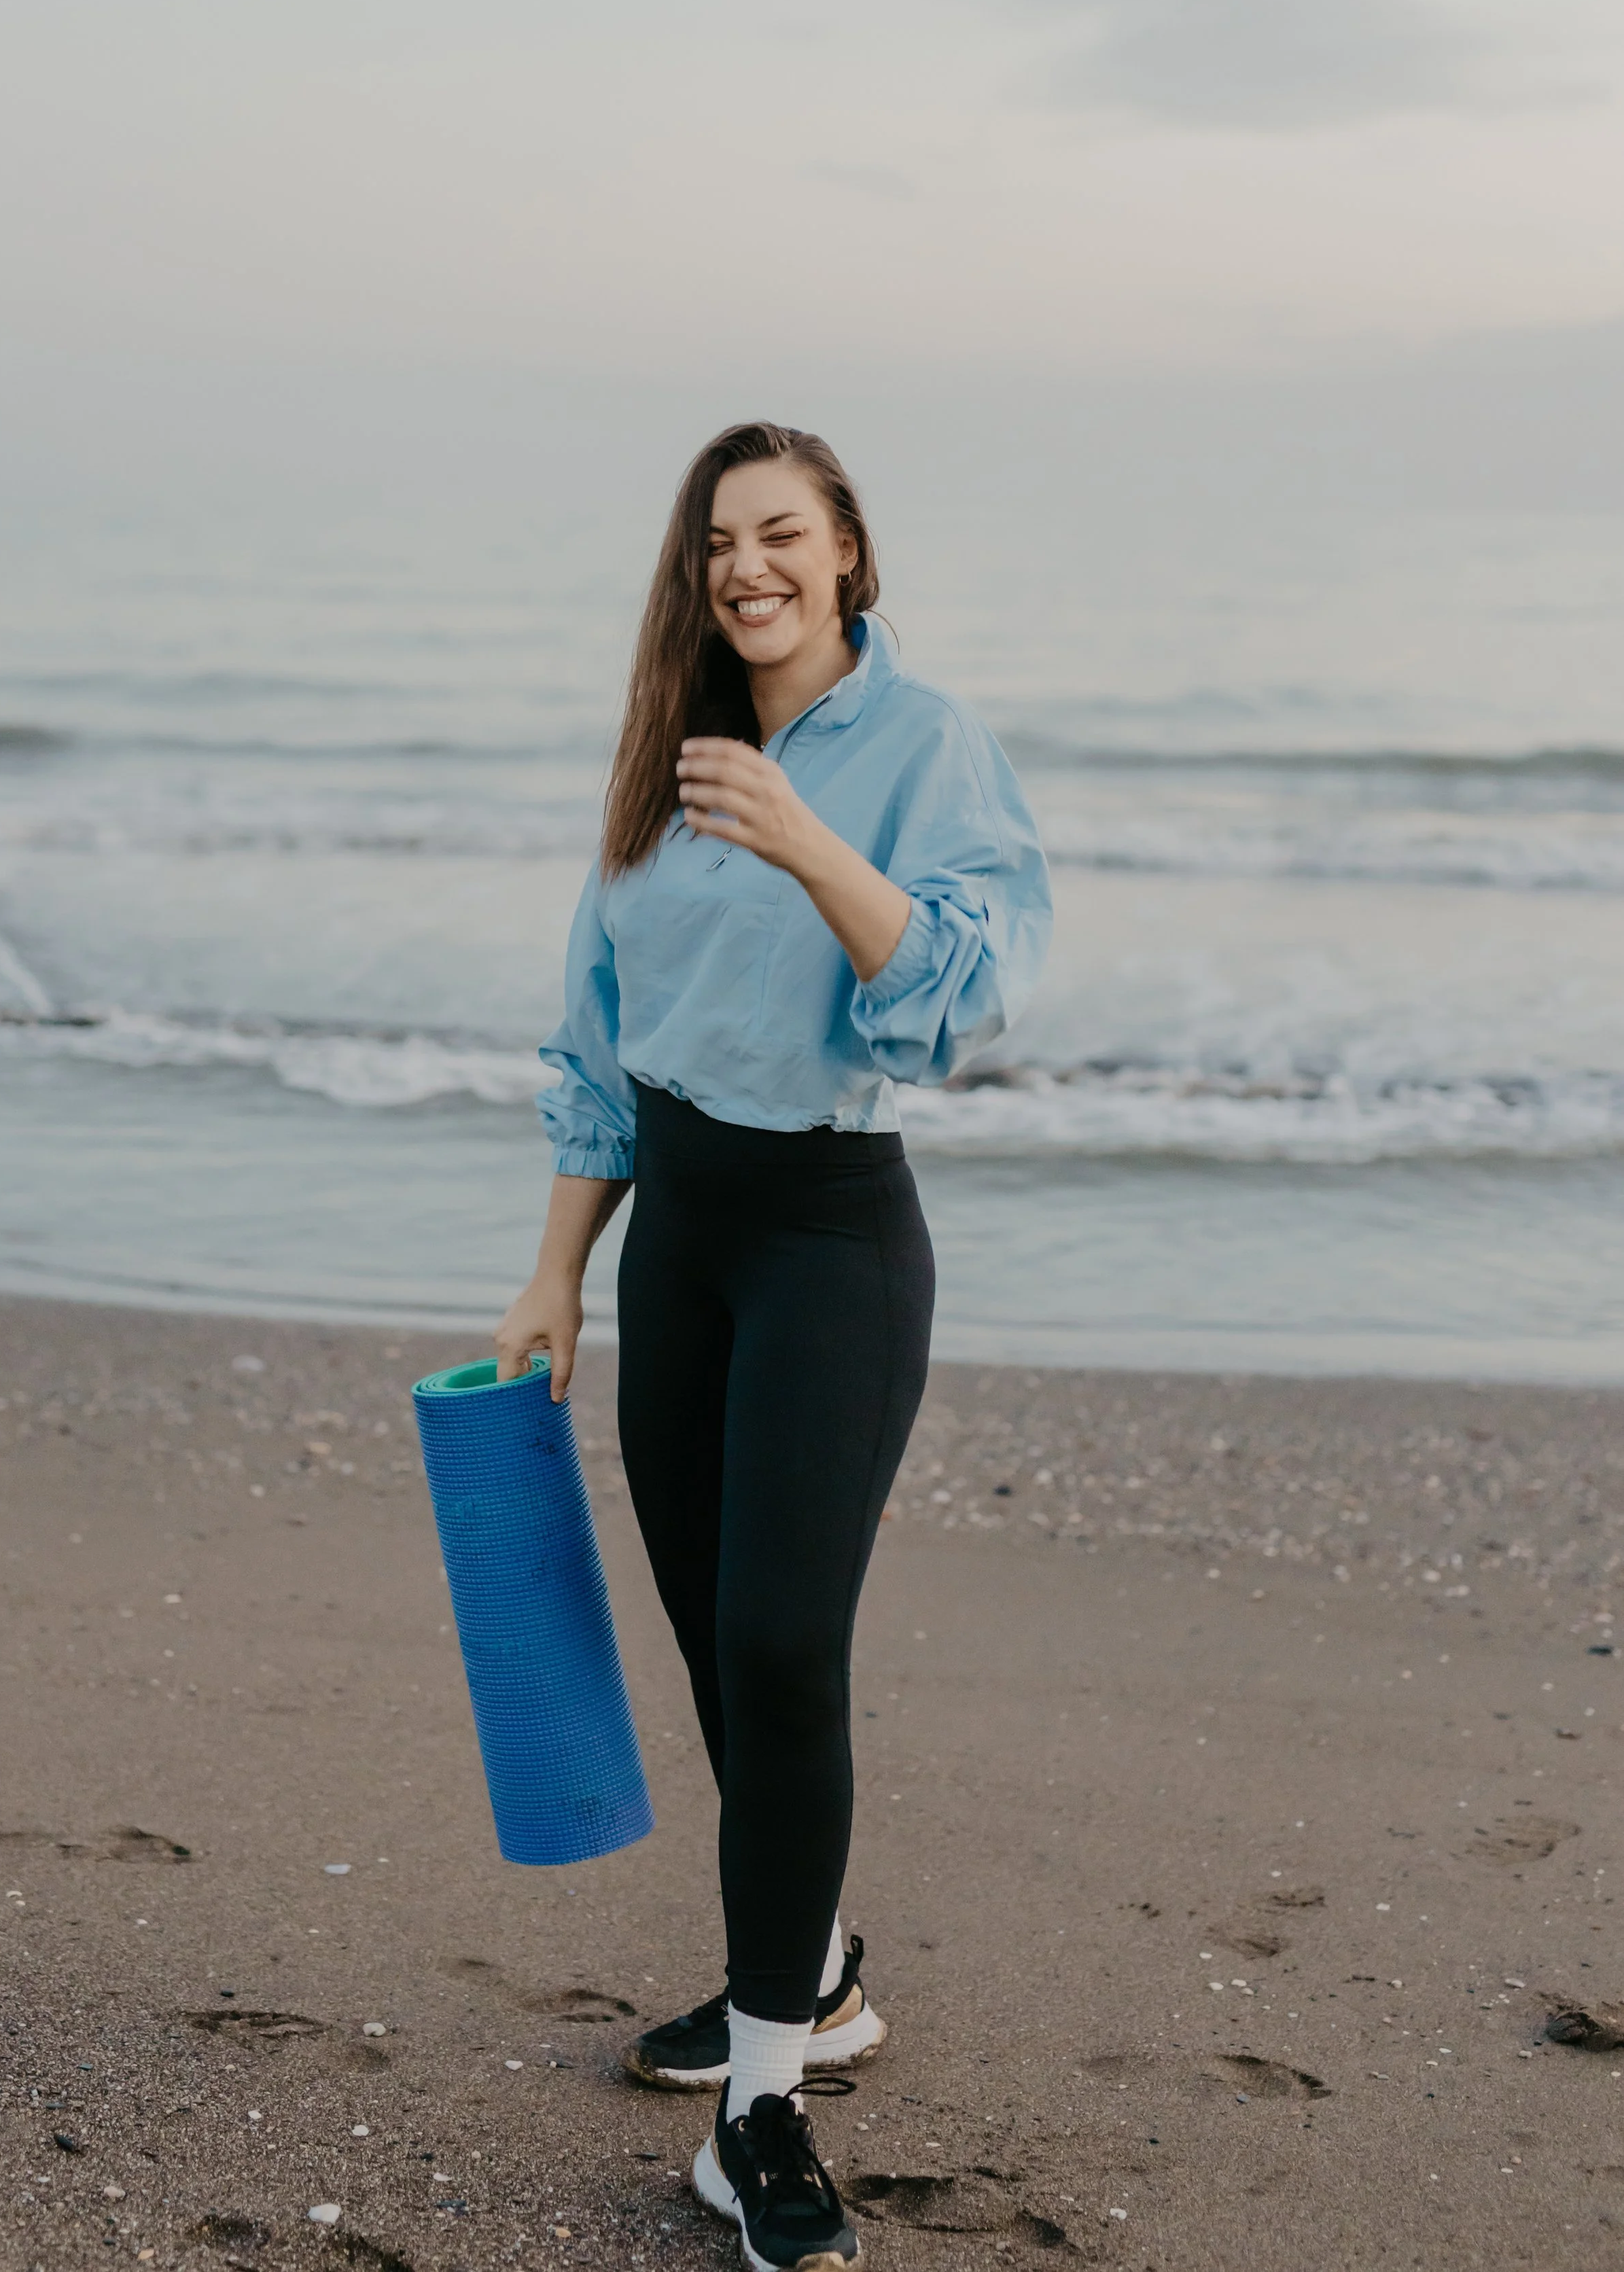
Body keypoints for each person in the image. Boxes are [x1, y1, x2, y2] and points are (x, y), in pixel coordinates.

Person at [495, 420, 1051, 2271]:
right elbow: (596, 1032)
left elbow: (962, 990)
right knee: (716, 1643)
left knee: (781, 1638)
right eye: (721, 538)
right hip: (680, 1246)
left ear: (845, 553)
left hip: (828, 1239)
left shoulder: (925, 742)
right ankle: (807, 1972)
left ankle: (759, 2108)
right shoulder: (663, 752)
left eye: (782, 533)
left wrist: (812, 840)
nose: (749, 565)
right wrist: (557, 1273)